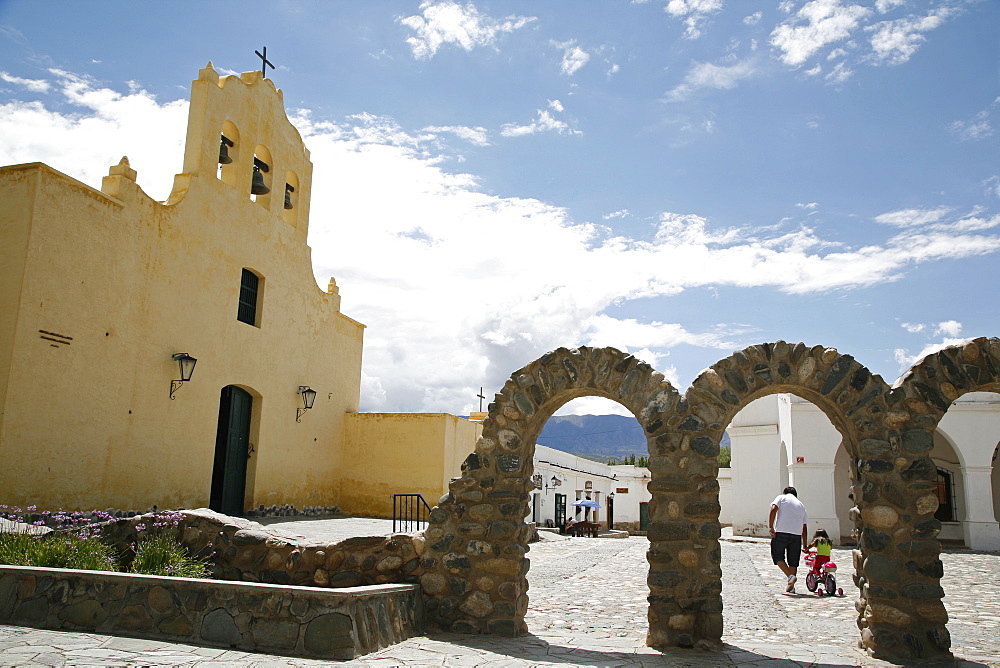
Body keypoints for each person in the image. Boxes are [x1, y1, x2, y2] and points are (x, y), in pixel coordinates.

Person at [768, 486, 808, 593]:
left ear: (785, 493)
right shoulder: (801, 505)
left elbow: (773, 509)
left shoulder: (781, 498)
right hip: (796, 535)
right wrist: (805, 545)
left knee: (777, 556)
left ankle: (790, 576)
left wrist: (771, 526)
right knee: (793, 561)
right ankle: (791, 586)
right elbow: (804, 528)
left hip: (781, 532)